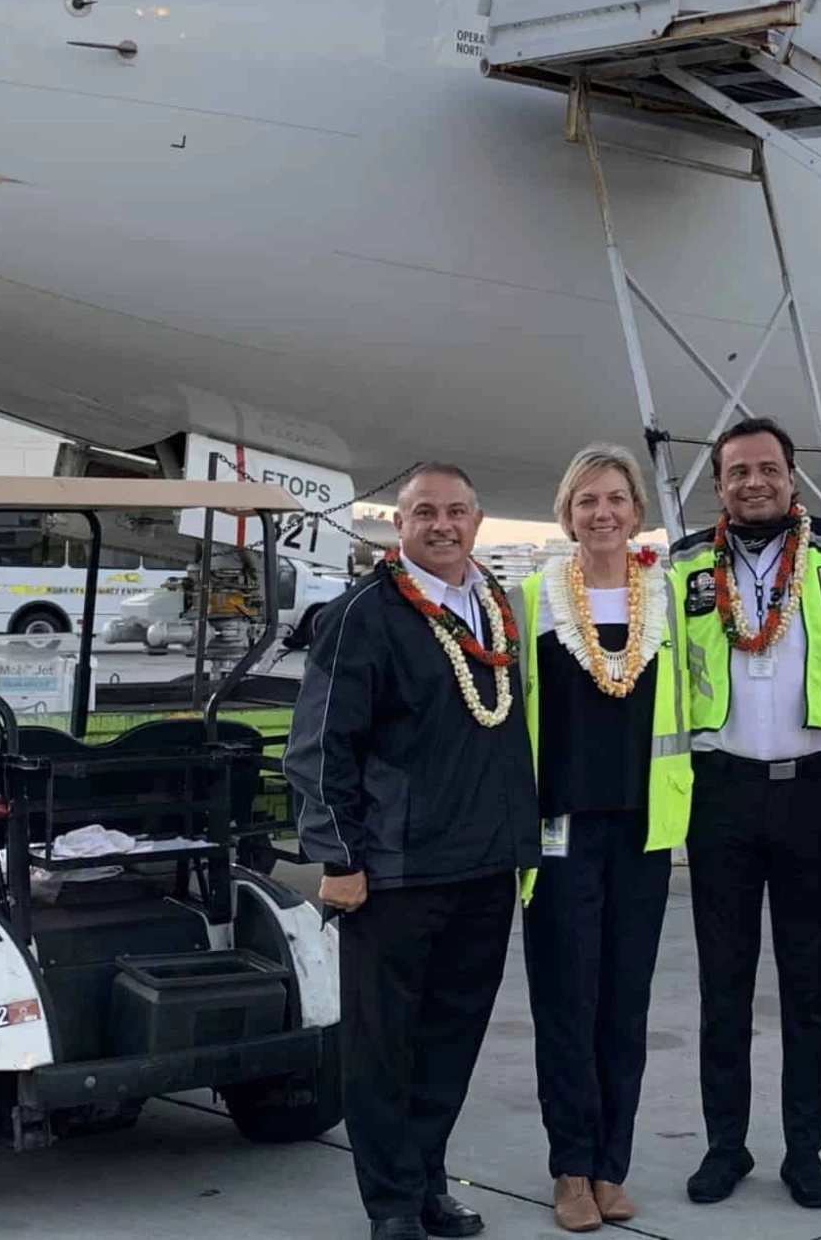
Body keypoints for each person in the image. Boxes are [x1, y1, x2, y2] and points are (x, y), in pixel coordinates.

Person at [284, 464, 540, 1240]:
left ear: (478, 519)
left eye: (456, 511)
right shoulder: (364, 612)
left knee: (449, 1042)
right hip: (393, 872)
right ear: (398, 526)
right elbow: (320, 745)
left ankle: (428, 1181)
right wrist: (339, 859)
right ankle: (391, 1203)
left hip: (484, 865)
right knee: (383, 1046)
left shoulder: (494, 606)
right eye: (424, 512)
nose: (442, 525)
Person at [665, 416, 821, 1209]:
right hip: (718, 791)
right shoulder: (682, 564)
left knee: (807, 984)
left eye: (767, 469)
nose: (753, 482)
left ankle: (804, 1149)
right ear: (718, 485)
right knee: (724, 982)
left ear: (793, 478)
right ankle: (726, 1145)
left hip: (809, 788)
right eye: (736, 472)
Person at [517, 445, 690, 1233]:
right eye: (587, 500)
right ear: (567, 514)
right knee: (566, 1001)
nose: (603, 513)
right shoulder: (532, 600)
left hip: (645, 830)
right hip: (561, 830)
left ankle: (611, 1164)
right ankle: (570, 1168)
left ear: (637, 511)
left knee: (625, 1002)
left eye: (617, 498)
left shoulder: (675, 600)